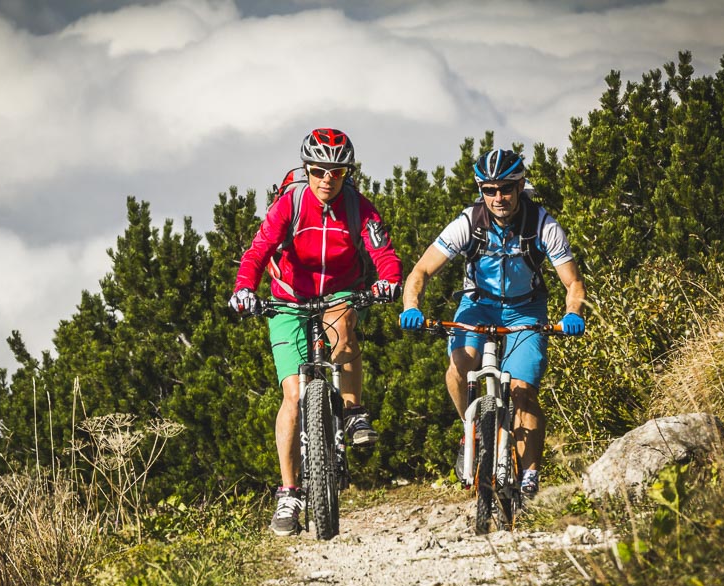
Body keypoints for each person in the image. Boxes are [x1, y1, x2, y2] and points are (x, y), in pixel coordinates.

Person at [230, 128, 403, 535]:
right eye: (319, 170)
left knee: (342, 323)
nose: (328, 178)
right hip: (288, 298)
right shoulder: (289, 204)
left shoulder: (359, 208)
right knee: (293, 396)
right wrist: (244, 289)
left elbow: (383, 252)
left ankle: (354, 412)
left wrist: (390, 281)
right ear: (306, 169)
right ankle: (289, 494)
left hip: (340, 291)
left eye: (337, 171)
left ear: (347, 174)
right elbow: (258, 251)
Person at [399, 148, 586, 505]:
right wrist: (412, 306)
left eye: (506, 189)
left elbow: (572, 282)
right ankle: (469, 429)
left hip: (525, 310)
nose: (498, 197)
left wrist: (573, 313)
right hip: (478, 305)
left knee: (522, 391)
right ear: (481, 190)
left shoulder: (543, 224)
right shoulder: (469, 222)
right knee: (460, 365)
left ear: (520, 186)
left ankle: (529, 478)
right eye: (489, 190)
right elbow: (421, 270)